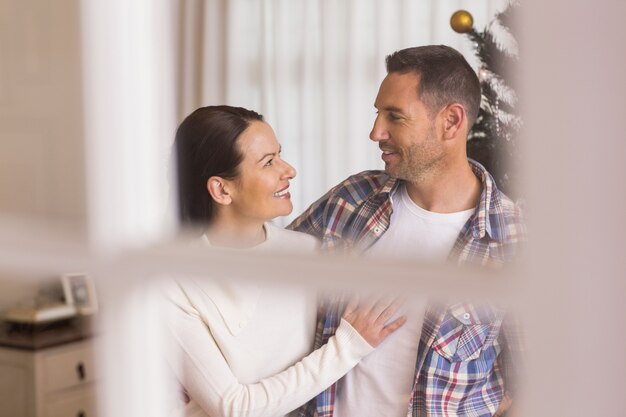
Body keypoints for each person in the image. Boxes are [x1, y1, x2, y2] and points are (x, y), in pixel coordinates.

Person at [289, 45, 526, 417]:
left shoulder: (515, 240)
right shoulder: (351, 201)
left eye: (394, 117)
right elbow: (266, 286)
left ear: (451, 121)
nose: (375, 132)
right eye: (377, 114)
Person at [163, 105, 406, 417]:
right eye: (268, 163)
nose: (288, 170)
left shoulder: (306, 253)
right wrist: (349, 346)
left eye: (280, 154)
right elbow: (233, 407)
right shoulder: (172, 282)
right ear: (221, 189)